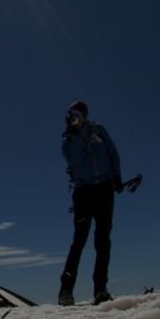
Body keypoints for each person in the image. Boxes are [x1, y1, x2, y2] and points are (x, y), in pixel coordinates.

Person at [59, 100, 122, 305]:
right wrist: (75, 135)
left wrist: (117, 177)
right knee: (79, 240)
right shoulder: (68, 140)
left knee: (103, 239)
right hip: (83, 191)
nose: (76, 117)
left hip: (104, 189)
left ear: (86, 114)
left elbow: (112, 152)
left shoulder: (99, 131)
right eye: (72, 114)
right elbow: (74, 161)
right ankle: (66, 291)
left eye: (79, 113)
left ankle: (100, 289)